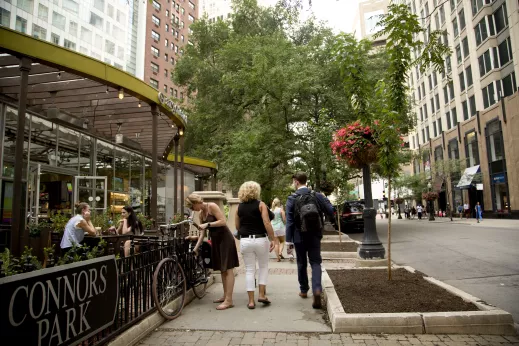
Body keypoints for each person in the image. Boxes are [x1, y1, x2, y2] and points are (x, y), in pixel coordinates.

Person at [286, 172, 334, 309]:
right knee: (316, 262)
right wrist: (326, 201)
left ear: (296, 181)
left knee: (301, 262)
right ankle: (317, 289)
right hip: (314, 234)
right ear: (306, 181)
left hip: (298, 236)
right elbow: (331, 211)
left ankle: (303, 290)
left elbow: (289, 222)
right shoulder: (317, 196)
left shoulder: (292, 199)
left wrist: (288, 242)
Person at [186, 193, 239, 310]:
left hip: (225, 239)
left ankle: (229, 300)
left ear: (196, 203)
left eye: (192, 207)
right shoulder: (201, 214)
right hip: (216, 241)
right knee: (222, 269)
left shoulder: (212, 206)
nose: (192, 210)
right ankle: (225, 296)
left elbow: (223, 221)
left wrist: (208, 224)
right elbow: (202, 234)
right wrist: (196, 247)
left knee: (228, 268)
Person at [235, 182, 277, 309]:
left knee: (249, 270)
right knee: (263, 267)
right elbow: (266, 222)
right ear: (256, 191)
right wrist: (273, 238)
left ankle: (251, 301)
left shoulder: (239, 207)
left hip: (245, 240)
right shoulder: (261, 205)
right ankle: (262, 295)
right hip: (260, 239)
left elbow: (237, 226)